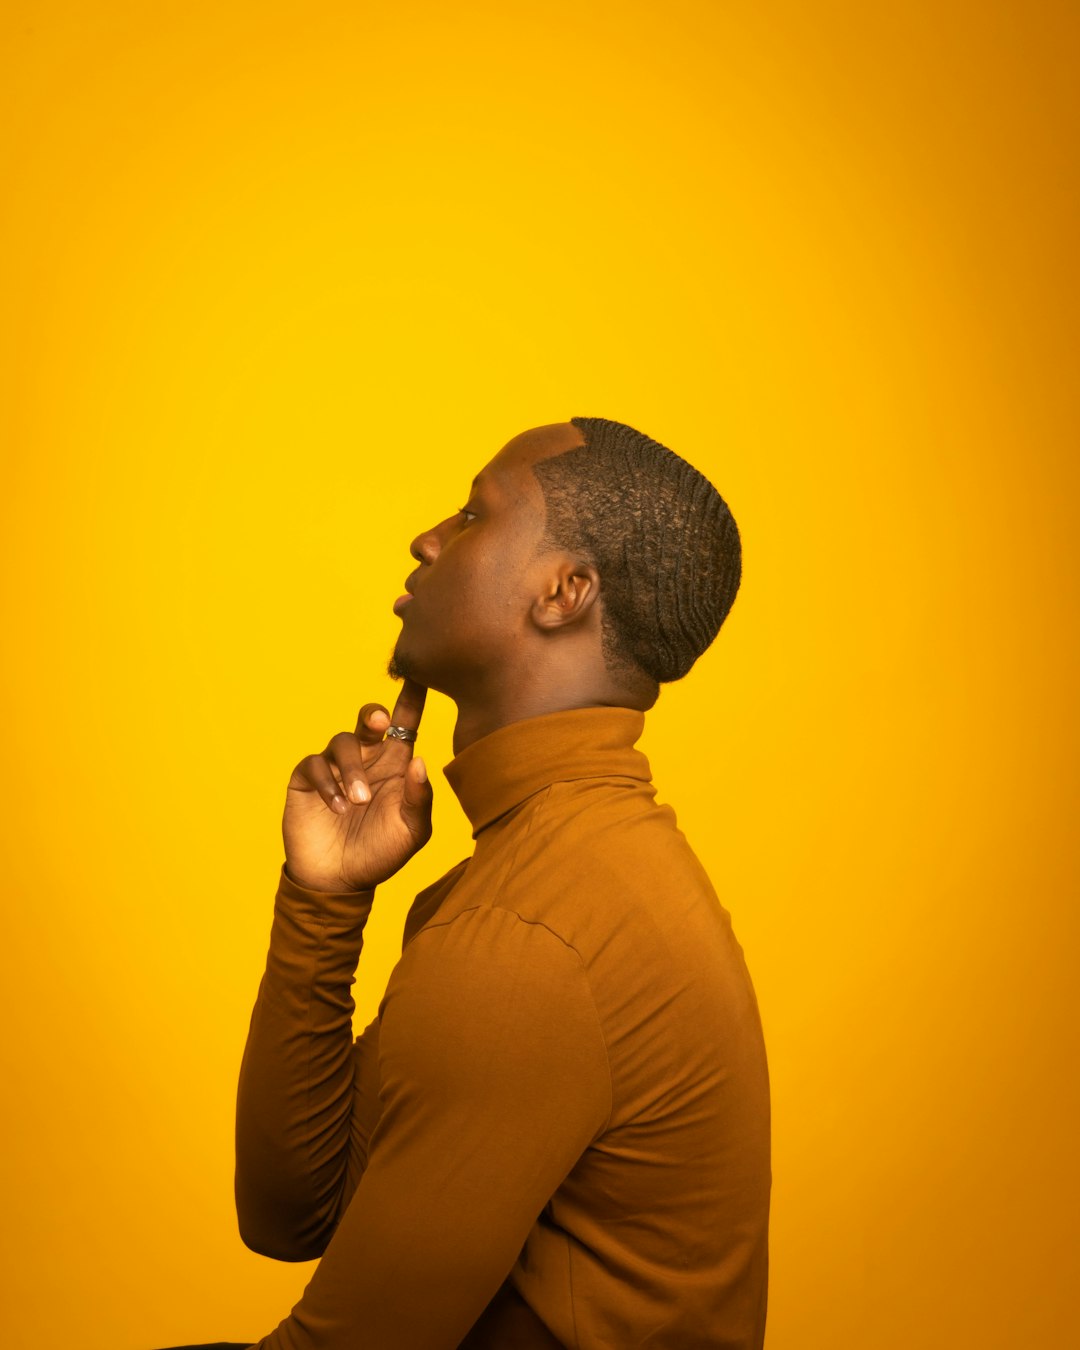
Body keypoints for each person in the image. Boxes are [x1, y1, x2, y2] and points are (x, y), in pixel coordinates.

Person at [157, 416, 770, 1350]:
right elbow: (293, 1212)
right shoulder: (547, 872)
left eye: (475, 514)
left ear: (564, 592)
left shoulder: (535, 933)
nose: (427, 538)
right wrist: (322, 901)